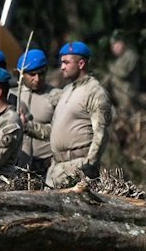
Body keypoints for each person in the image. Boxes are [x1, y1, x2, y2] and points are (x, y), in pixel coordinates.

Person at [46, 40, 111, 188]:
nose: (62, 67)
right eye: (61, 62)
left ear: (81, 64)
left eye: (66, 62)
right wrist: (27, 126)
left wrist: (89, 164)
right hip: (56, 169)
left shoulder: (95, 92)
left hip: (78, 169)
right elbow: (53, 129)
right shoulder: (67, 90)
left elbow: (101, 133)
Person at [13, 49, 58, 182]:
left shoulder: (57, 97)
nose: (37, 79)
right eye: (32, 74)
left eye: (41, 73)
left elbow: (61, 131)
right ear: (21, 74)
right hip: (19, 164)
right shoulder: (13, 96)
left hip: (47, 164)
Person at [104, 36, 140, 114]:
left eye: (116, 46)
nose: (113, 49)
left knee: (110, 77)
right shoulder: (120, 58)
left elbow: (124, 73)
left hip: (128, 93)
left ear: (122, 44)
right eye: (112, 47)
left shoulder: (131, 56)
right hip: (119, 91)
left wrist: (111, 68)